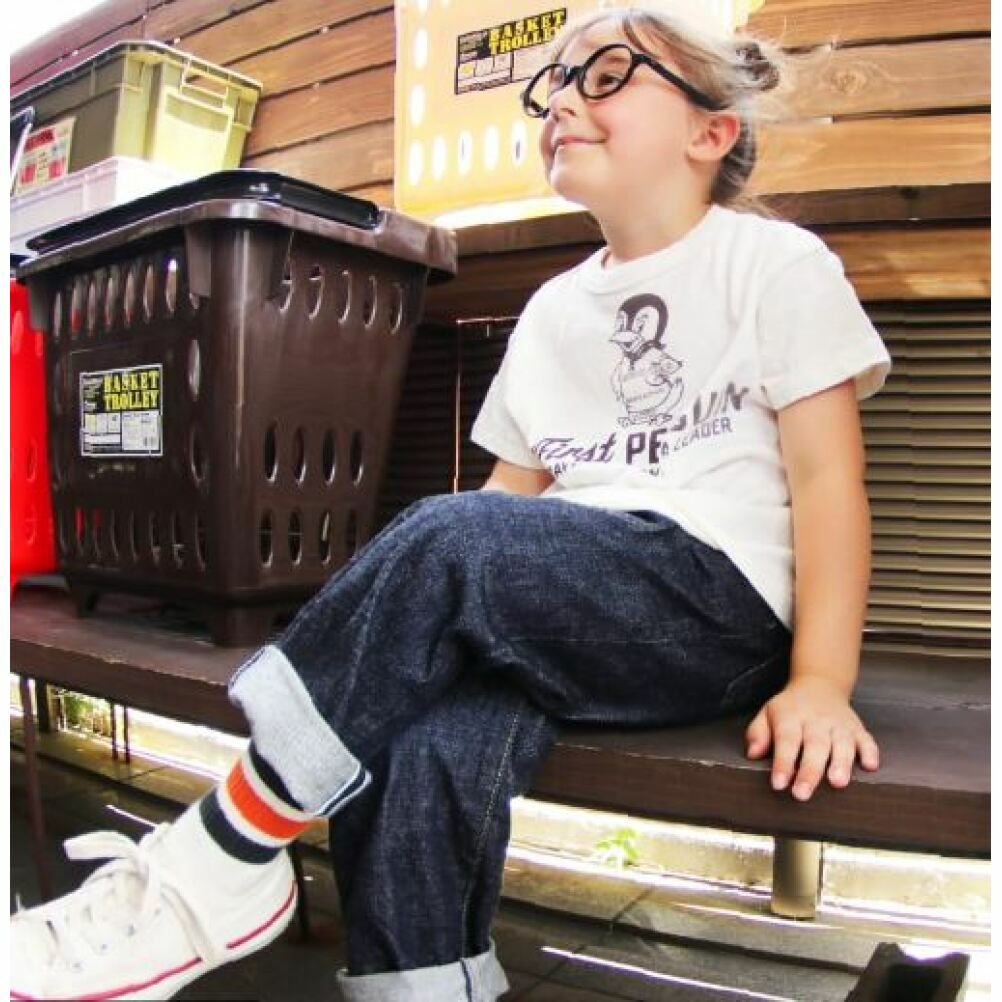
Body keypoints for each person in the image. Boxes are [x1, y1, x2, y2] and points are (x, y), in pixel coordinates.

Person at [11, 5, 891, 1000]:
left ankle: (223, 853)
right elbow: (509, 506)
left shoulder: (773, 265)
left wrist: (822, 680)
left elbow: (829, 483)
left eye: (605, 76)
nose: (564, 103)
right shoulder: (554, 310)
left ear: (710, 132)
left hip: (716, 611)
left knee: (448, 537)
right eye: (553, 87)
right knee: (419, 737)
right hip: (573, 614)